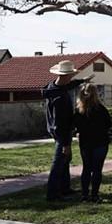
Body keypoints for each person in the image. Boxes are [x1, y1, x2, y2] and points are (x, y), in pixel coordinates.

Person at [42, 60, 87, 202]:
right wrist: (66, 144)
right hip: (61, 133)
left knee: (65, 160)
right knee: (58, 162)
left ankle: (65, 188)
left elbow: (68, 85)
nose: (72, 78)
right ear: (65, 76)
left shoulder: (53, 87)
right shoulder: (59, 97)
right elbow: (60, 123)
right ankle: (53, 194)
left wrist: (82, 81)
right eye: (71, 76)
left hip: (57, 131)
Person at [75, 83, 112, 203]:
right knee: (97, 169)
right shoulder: (100, 109)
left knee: (86, 168)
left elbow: (75, 126)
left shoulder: (79, 111)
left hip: (85, 143)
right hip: (100, 141)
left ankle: (84, 195)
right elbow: (109, 124)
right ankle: (94, 195)